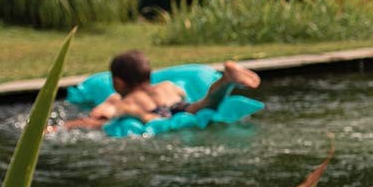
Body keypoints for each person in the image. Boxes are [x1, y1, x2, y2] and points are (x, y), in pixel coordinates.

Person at [55, 50, 261, 132]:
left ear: (117, 82)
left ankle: (227, 80)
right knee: (203, 104)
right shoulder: (168, 86)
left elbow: (97, 119)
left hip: (153, 117)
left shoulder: (116, 99)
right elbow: (182, 97)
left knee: (156, 120)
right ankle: (226, 80)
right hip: (178, 106)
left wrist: (64, 126)